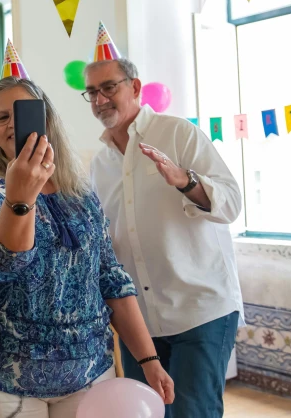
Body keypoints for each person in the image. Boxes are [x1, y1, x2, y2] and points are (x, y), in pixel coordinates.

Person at [0, 76, 174, 418]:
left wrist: (148, 359)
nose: (13, 123)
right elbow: (8, 262)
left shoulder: (81, 192)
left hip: (89, 370)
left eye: (23, 112)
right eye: (1, 117)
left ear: (47, 121)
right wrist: (20, 194)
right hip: (5, 376)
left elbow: (110, 276)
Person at [84, 24, 243, 418]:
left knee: (192, 413)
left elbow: (231, 203)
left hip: (199, 308)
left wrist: (186, 181)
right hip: (139, 321)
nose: (100, 99)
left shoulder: (177, 134)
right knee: (148, 413)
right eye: (92, 92)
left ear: (135, 87)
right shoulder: (100, 164)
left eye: (109, 88)